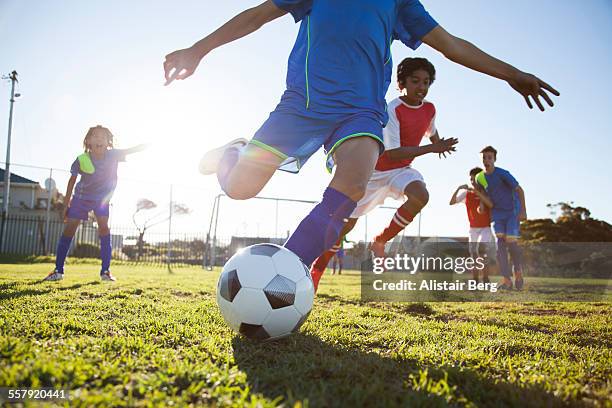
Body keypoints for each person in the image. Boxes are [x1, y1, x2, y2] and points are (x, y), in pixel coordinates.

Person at [163, 0, 559, 275]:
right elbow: (256, 16)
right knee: (240, 189)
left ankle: (289, 268)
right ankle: (235, 152)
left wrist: (512, 73)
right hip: (301, 105)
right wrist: (198, 49)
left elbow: (453, 46)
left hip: (360, 111)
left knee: (352, 183)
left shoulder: (402, 4)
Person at [309, 57, 456, 291]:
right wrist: (432, 148)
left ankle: (380, 241)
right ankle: (319, 267)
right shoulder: (393, 109)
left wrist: (439, 143)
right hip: (375, 171)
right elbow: (395, 152)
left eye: (426, 82)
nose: (421, 87)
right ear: (402, 83)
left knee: (421, 195)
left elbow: (431, 131)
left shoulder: (429, 109)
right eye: (415, 81)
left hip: (400, 171)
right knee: (346, 227)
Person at [44, 126, 147, 282]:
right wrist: (66, 205)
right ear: (88, 141)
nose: (99, 139)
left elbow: (131, 150)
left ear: (108, 142)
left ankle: (105, 272)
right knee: (70, 228)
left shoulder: (113, 155)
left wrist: (148, 144)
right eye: (95, 136)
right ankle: (58, 270)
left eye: (103, 137)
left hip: (102, 199)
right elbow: (72, 181)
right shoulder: (81, 159)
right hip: (81, 197)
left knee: (104, 228)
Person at [476, 146, 526, 290]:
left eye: (489, 157)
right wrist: (482, 206)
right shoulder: (480, 177)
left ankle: (518, 271)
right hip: (497, 213)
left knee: (511, 241)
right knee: (500, 245)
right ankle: (506, 280)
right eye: (484, 157)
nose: (486, 160)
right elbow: (483, 193)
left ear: (494, 159)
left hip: (512, 211)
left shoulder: (503, 174)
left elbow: (519, 190)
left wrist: (523, 211)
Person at [450, 166, 495, 283]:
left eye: (475, 179)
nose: (472, 182)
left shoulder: (487, 193)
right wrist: (459, 188)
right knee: (473, 254)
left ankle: (485, 278)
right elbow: (451, 202)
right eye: (471, 179)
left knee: (482, 251)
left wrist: (480, 196)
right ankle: (475, 279)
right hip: (473, 229)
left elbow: (489, 206)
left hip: (485, 228)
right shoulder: (467, 194)